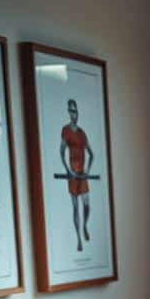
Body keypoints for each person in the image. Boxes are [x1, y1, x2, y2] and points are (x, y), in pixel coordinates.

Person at [59, 98, 94, 251]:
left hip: (82, 174)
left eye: (76, 111)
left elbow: (91, 154)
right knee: (75, 207)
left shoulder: (82, 133)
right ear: (69, 112)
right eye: (71, 111)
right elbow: (61, 152)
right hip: (72, 174)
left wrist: (88, 171)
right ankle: (79, 237)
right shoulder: (66, 130)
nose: (74, 114)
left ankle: (85, 225)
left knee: (86, 205)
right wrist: (68, 170)